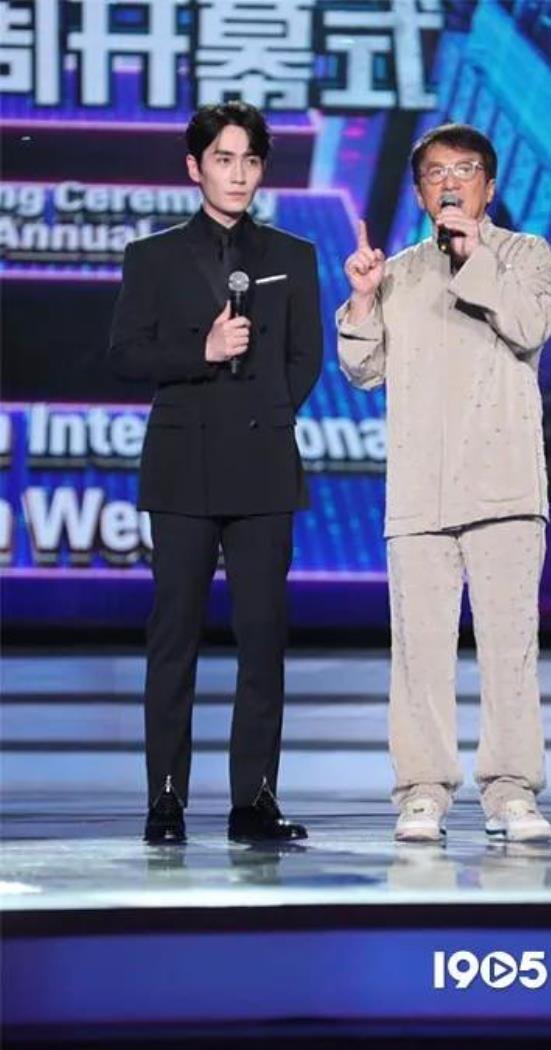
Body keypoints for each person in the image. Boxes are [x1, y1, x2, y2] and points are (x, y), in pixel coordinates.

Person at [337, 123, 551, 844]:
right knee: (419, 654)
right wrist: (364, 301)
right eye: (436, 172)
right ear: (419, 192)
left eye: (465, 170)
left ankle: (511, 792)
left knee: (509, 650)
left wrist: (473, 258)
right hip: (419, 493)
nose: (450, 182)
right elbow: (363, 371)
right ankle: (422, 792)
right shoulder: (399, 272)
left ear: (488, 187)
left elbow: (531, 325)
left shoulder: (527, 255)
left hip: (505, 489)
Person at [109, 101, 323, 844]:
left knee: (263, 636)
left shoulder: (293, 254)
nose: (238, 174)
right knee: (174, 636)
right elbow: (126, 354)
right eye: (223, 160)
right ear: (194, 167)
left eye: (250, 160)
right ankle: (166, 798)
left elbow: (304, 357)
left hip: (263, 464)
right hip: (182, 466)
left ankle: (253, 800)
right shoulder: (153, 256)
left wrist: (265, 410)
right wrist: (199, 352)